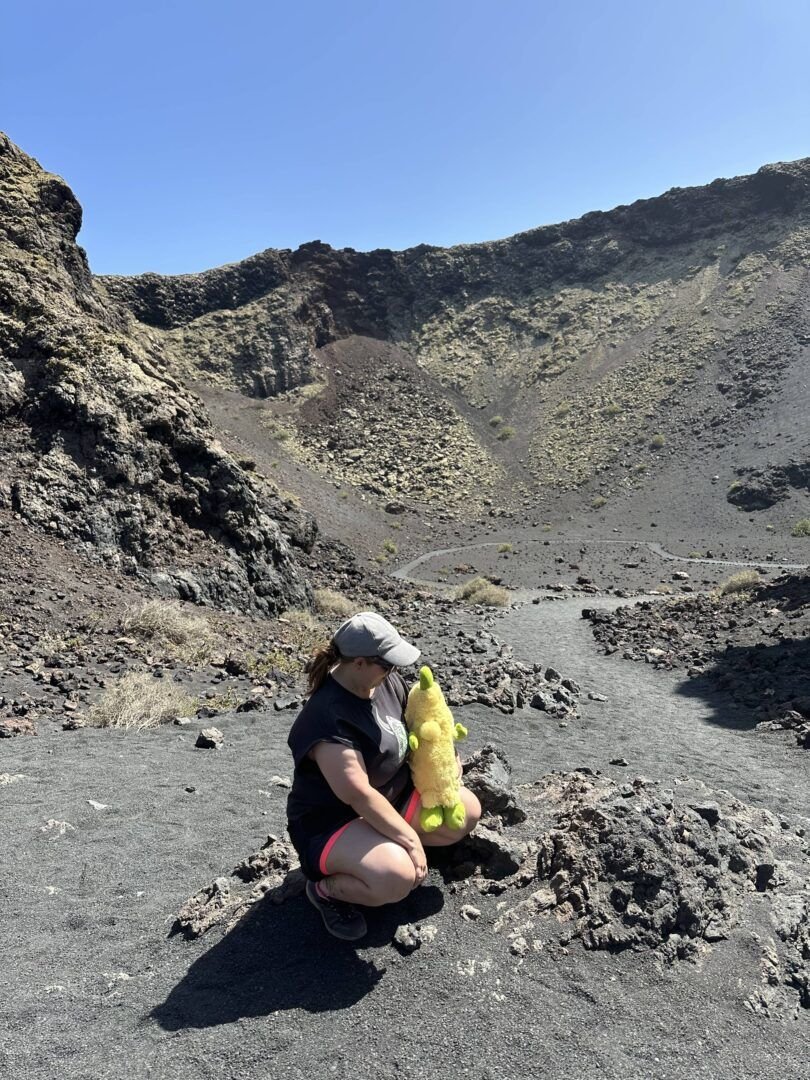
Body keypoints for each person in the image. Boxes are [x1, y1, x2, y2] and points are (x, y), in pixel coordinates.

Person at [286, 611, 481, 941]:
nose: (394, 670)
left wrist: (448, 760)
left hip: (393, 796)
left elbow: (419, 721)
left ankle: (385, 852)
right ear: (359, 663)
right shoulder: (327, 717)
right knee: (397, 877)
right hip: (332, 821)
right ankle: (325, 891)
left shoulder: (385, 682)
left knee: (466, 811)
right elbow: (358, 795)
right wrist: (410, 842)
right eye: (387, 664)